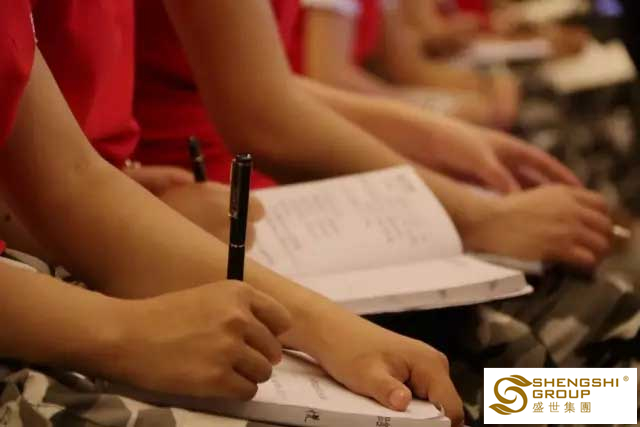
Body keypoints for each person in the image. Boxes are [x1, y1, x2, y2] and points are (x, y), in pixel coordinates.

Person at [0, 1, 465, 424]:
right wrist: (124, 332)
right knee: (480, 367)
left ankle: (515, 405)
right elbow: (267, 111)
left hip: (136, 255)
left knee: (455, 389)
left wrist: (327, 328)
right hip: (61, 317)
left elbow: (74, 183)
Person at [132, 0, 613, 269]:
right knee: (564, 340)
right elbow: (266, 118)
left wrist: (440, 132)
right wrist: (478, 217)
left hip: (270, 207)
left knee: (587, 309)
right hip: (235, 218)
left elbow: (270, 85)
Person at [298, 0, 520, 128]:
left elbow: (404, 66)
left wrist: (485, 85)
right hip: (315, 121)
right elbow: (332, 80)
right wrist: (435, 109)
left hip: (346, 112)